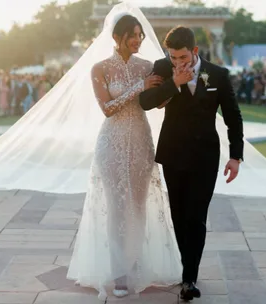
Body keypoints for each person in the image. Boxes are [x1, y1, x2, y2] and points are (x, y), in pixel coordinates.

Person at [67, 14, 181, 299]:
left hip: (141, 142)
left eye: (140, 35)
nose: (138, 40)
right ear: (117, 37)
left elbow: (155, 103)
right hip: (112, 143)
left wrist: (170, 88)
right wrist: (137, 88)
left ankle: (134, 262)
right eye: (133, 34)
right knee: (117, 208)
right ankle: (118, 272)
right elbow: (107, 108)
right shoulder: (100, 69)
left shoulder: (148, 66)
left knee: (139, 206)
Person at [139, 26, 244, 301]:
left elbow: (233, 116)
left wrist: (235, 156)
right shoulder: (162, 67)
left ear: (194, 51)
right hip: (173, 154)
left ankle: (189, 278)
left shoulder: (218, 74)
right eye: (173, 57)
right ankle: (186, 269)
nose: (178, 62)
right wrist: (173, 82)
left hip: (205, 157)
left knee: (196, 218)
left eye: (183, 57)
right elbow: (146, 102)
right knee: (178, 216)